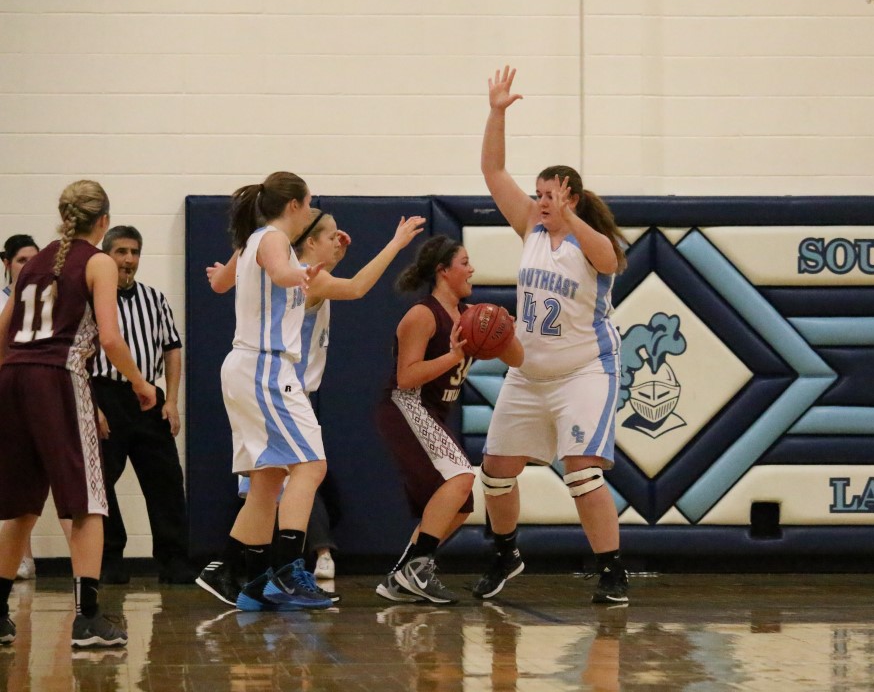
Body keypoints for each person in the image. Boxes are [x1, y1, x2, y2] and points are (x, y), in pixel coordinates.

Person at [195, 187, 424, 610]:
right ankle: (286, 571)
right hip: (268, 372)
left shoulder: (255, 245)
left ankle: (234, 572)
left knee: (267, 482)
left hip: (251, 371)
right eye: (329, 234)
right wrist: (394, 244)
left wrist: (227, 276)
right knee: (311, 467)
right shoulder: (283, 254)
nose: (338, 240)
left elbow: (223, 282)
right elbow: (346, 286)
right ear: (297, 214)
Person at [474, 66, 630, 604]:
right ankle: (505, 554)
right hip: (529, 372)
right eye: (539, 193)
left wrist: (571, 218)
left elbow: (610, 260)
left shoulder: (593, 241)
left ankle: (611, 570)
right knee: (495, 472)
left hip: (584, 371)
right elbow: (493, 170)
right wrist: (496, 112)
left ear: (574, 199)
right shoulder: (530, 227)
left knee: (582, 474)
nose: (542, 201)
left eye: (553, 195)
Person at [0, 180, 157, 649]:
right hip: (58, 378)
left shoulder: (34, 263)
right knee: (89, 501)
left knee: (22, 506)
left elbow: (3, 330)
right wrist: (140, 382)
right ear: (103, 220)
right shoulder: (98, 261)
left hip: (13, 378)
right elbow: (109, 337)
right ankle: (88, 619)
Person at [375, 235, 524, 605]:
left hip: (432, 412)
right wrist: (454, 355)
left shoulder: (472, 316)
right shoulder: (422, 315)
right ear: (443, 271)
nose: (472, 269)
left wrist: (505, 331)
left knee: (459, 507)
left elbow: (517, 360)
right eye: (464, 262)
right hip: (406, 405)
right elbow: (406, 376)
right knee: (460, 477)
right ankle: (417, 569)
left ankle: (401, 578)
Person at [87, 225, 197, 585]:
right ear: (106, 256)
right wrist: (93, 406)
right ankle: (110, 558)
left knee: (166, 481)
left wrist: (173, 400)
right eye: (121, 251)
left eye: (134, 252)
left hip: (149, 398)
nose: (129, 259)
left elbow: (172, 348)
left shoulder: (154, 298)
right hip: (105, 394)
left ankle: (173, 560)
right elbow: (78, 356)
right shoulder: (90, 301)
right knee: (102, 482)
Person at [1, 235, 74, 581]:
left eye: (33, 259)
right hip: (15, 389)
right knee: (19, 490)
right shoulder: (10, 300)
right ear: (6, 264)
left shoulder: (51, 296)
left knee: (55, 484)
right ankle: (19, 559)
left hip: (39, 390)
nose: (28, 266)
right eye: (20, 260)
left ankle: (83, 571)